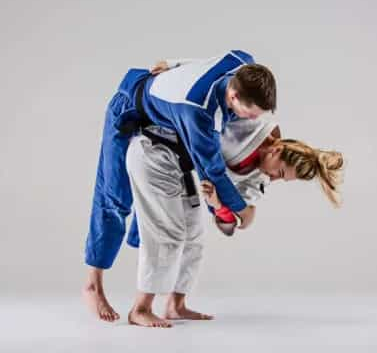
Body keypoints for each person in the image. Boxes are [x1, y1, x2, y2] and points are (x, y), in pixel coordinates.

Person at [83, 51, 277, 322]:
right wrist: (242, 210)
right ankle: (94, 283)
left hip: (161, 126)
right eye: (249, 113)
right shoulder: (197, 112)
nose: (252, 120)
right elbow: (212, 172)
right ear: (233, 96)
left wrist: (174, 64)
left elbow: (208, 61)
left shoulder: (242, 62)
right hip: (129, 108)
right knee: (114, 196)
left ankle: (172, 302)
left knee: (175, 220)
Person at [124, 112, 344, 328]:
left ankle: (176, 305)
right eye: (280, 172)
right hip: (155, 151)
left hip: (181, 168)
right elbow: (206, 110)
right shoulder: (249, 123)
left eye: (282, 179)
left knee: (194, 238)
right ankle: (140, 309)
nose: (275, 178)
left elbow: (243, 218)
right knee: (168, 234)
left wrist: (219, 205)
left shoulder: (260, 175)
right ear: (277, 150)